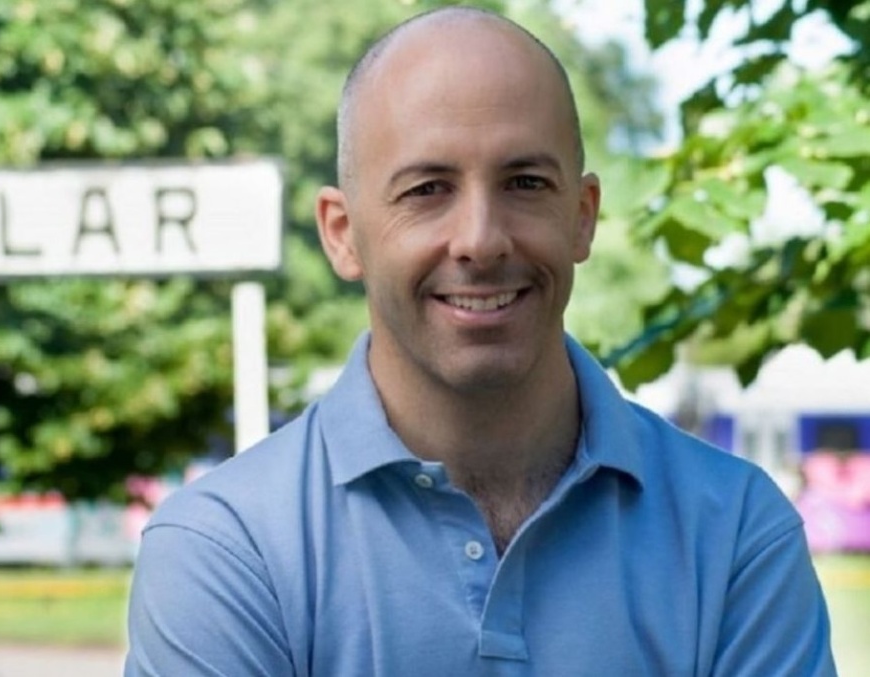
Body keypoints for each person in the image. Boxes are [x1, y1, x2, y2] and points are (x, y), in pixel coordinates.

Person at [125, 7, 836, 676]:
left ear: (583, 216)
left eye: (525, 182)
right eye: (427, 190)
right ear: (343, 234)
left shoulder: (734, 531)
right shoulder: (227, 548)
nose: (481, 240)